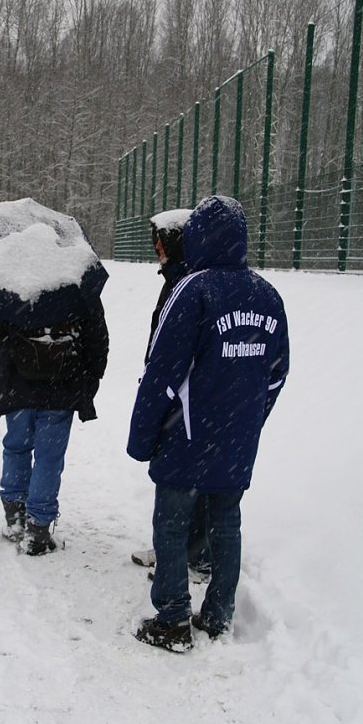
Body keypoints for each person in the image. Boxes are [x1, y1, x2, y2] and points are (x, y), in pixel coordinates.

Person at [127, 195, 289, 652]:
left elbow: (163, 373)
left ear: (197, 236)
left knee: (172, 523)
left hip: (187, 434)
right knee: (226, 522)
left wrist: (142, 437)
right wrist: (252, 419)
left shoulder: (192, 290)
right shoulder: (267, 295)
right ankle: (218, 616)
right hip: (235, 438)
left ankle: (173, 618)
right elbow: (277, 372)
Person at [0, 297, 109, 556]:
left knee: (16, 447)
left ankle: (15, 515)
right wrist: (89, 381)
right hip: (62, 387)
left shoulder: (14, 278)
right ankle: (38, 528)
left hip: (16, 384)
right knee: (49, 458)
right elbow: (97, 339)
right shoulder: (77, 281)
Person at [131, 209, 211, 579]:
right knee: (185, 479)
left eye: (161, 239)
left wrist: (160, 384)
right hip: (179, 391)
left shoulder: (189, 281)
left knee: (180, 482)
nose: (157, 246)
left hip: (185, 396)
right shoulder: (175, 277)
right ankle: (178, 550)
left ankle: (183, 556)